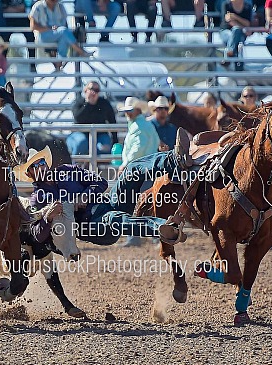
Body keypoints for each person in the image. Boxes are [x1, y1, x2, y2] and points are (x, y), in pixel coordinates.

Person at [13, 146, 176, 247]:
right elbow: (37, 235)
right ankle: (162, 228)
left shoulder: (66, 170)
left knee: (132, 169)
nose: (41, 166)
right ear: (29, 173)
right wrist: (48, 217)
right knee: (114, 218)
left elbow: (100, 182)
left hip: (108, 202)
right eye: (35, 165)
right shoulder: (38, 199)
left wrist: (84, 196)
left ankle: (173, 160)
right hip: (91, 226)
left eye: (41, 162)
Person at [116, 96, 160, 246]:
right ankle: (156, 235)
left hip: (139, 169)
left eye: (130, 111)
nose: (127, 113)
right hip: (149, 168)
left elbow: (137, 148)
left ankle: (135, 237)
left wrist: (125, 164)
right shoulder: (145, 125)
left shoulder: (138, 126)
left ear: (137, 110)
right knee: (150, 204)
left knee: (133, 202)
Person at [29, 0, 92, 68]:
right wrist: (50, 28)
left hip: (60, 34)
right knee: (64, 32)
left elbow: (65, 25)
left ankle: (59, 65)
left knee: (64, 36)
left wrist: (59, 30)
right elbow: (33, 27)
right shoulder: (38, 6)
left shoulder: (61, 7)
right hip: (43, 35)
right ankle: (81, 52)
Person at [66, 81, 118, 156]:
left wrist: (115, 140)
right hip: (80, 133)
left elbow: (112, 121)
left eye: (96, 90)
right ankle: (77, 165)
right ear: (85, 90)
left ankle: (97, 166)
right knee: (81, 144)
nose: (93, 92)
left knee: (105, 148)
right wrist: (88, 103)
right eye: (91, 89)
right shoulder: (79, 102)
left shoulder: (104, 103)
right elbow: (78, 118)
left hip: (100, 134)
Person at [2, 0, 36, 72]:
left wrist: (13, 9)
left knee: (31, 38)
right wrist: (19, 9)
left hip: (23, 20)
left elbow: (27, 7)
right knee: (4, 39)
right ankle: (1, 64)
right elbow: (3, 9)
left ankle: (32, 65)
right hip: (9, 20)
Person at [219, 0, 252, 71]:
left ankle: (229, 55)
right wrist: (242, 27)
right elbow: (229, 20)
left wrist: (235, 17)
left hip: (240, 34)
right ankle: (238, 65)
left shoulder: (247, 7)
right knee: (236, 35)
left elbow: (247, 23)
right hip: (226, 31)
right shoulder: (227, 5)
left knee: (236, 33)